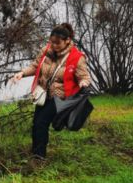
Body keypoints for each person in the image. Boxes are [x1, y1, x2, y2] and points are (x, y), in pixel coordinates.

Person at [10, 23, 91, 160]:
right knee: (36, 123)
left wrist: (83, 83)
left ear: (67, 41)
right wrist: (22, 73)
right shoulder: (46, 50)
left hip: (60, 97)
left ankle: (39, 157)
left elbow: (84, 77)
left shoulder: (77, 58)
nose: (53, 45)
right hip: (43, 94)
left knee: (42, 122)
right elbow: (35, 66)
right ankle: (36, 153)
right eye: (51, 42)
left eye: (57, 43)